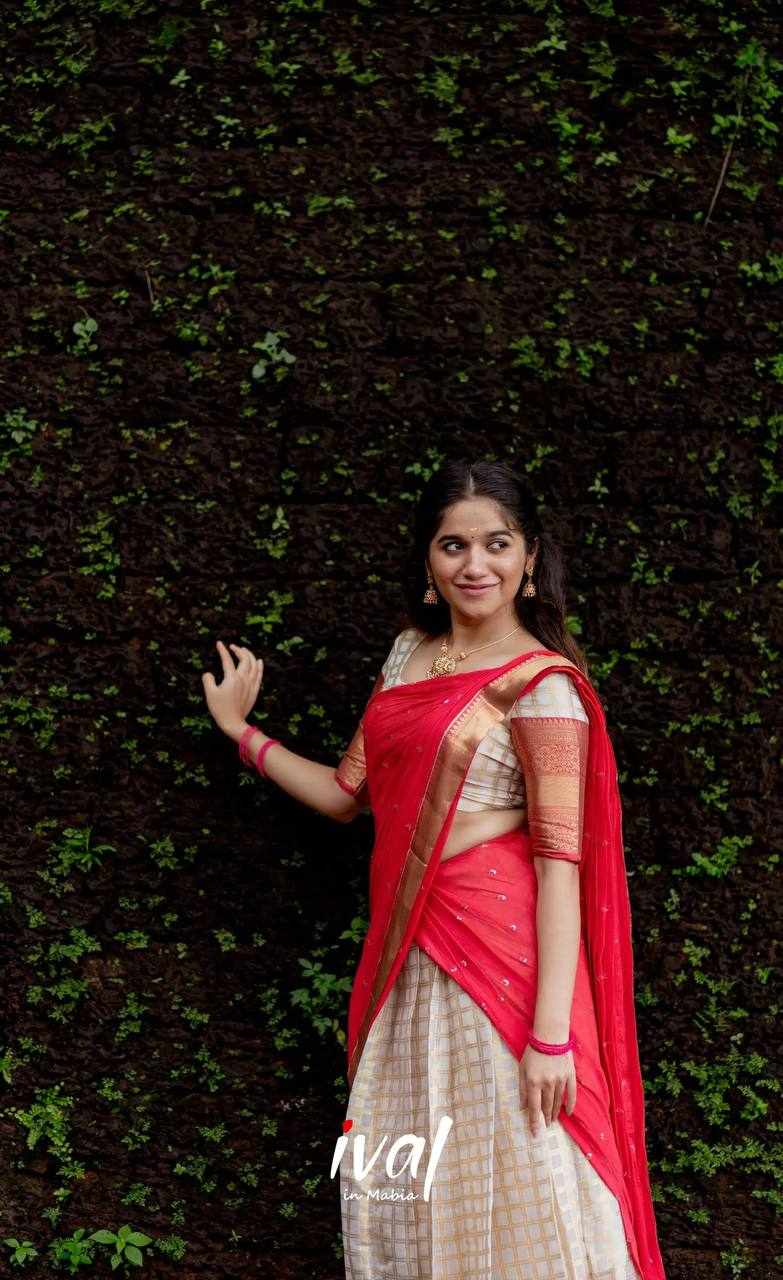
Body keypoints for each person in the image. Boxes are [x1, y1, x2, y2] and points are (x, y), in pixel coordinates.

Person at [201, 458, 667, 1280]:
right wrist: (244, 733)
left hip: (505, 971)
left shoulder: (543, 690)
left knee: (520, 1173)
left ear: (529, 557)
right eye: (454, 545)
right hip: (408, 959)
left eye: (497, 543)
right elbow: (346, 796)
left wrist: (550, 1037)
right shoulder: (406, 656)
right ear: (427, 558)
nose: (474, 564)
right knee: (409, 1180)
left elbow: (560, 869)